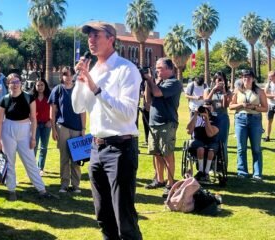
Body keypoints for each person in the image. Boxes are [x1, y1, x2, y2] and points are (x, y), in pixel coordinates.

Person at [72, 21, 142, 240]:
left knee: (125, 219)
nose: (91, 40)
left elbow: (128, 113)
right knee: (103, 216)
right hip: (96, 149)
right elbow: (77, 106)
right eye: (89, 37)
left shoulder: (126, 69)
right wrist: (80, 81)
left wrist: (95, 88)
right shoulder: (93, 70)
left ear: (111, 38)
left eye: (96, 35)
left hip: (120, 148)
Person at [0, 73, 53, 201]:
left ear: (21, 83)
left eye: (17, 82)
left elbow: (33, 118)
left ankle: (41, 189)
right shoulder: (4, 99)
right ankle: (11, 190)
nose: (15, 84)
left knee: (30, 161)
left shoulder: (28, 97)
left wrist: (33, 137)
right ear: (8, 84)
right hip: (8, 130)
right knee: (10, 161)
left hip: (24, 129)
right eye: (12, 82)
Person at [144, 57, 183, 198]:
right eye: (156, 68)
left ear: (169, 69)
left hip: (167, 122)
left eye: (160, 68)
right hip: (154, 122)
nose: (157, 71)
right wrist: (148, 81)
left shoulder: (174, 83)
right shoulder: (158, 82)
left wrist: (150, 80)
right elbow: (148, 101)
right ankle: (159, 179)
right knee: (156, 152)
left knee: (167, 153)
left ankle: (170, 182)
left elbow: (158, 93)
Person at [49, 66, 86, 193]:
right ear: (61, 76)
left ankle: (76, 185)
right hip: (62, 127)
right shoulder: (57, 90)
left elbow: (82, 111)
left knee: (77, 158)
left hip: (77, 129)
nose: (68, 77)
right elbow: (52, 112)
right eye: (65, 74)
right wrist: (53, 129)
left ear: (74, 76)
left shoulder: (78, 90)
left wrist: (83, 128)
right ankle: (64, 184)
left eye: (70, 74)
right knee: (64, 158)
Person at [229, 69, 268, 181]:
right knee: (241, 148)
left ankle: (257, 173)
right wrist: (241, 104)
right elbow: (231, 106)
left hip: (255, 120)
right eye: (244, 77)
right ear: (242, 78)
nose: (246, 79)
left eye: (249, 77)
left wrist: (254, 107)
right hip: (240, 120)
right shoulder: (237, 90)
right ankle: (242, 172)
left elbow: (265, 108)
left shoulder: (259, 91)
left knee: (256, 148)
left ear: (253, 78)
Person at [186, 100, 220, 182]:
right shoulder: (196, 118)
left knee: (211, 150)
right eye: (204, 107)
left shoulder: (216, 119)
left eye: (208, 108)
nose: (206, 110)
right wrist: (195, 115)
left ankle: (206, 172)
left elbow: (210, 134)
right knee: (200, 148)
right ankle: (200, 171)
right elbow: (189, 131)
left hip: (211, 141)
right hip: (198, 140)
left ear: (212, 109)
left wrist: (207, 119)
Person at [204, 71, 232, 162]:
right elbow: (206, 102)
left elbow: (225, 105)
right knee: (211, 141)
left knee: (223, 142)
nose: (219, 81)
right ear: (214, 80)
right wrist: (213, 90)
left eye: (221, 79)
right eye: (218, 79)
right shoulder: (208, 90)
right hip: (211, 118)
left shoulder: (228, 92)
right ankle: (211, 164)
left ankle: (222, 164)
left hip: (223, 118)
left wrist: (224, 92)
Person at [32, 78, 52, 176]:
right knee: (34, 147)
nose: (40, 87)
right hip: (35, 125)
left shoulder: (49, 97)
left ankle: (40, 168)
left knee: (44, 147)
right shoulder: (32, 98)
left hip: (46, 125)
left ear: (45, 86)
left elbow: (55, 110)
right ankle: (32, 168)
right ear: (35, 87)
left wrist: (51, 121)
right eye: (38, 85)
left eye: (42, 85)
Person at [264, 71, 275, 142]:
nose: (269, 78)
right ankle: (267, 137)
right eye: (269, 76)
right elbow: (265, 94)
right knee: (269, 121)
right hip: (270, 105)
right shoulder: (268, 84)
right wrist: (273, 96)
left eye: (271, 76)